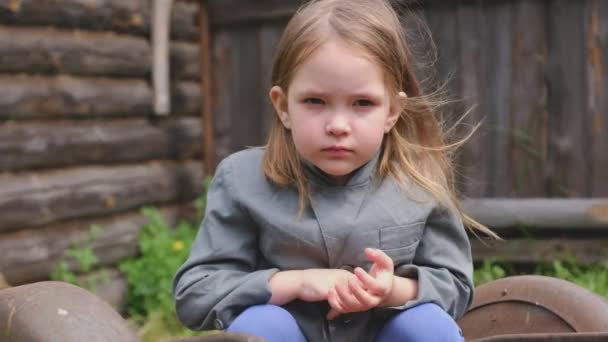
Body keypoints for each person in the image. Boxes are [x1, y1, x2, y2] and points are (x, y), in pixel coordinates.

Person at [173, 0, 495, 341]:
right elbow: (196, 293)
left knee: (427, 326)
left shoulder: (420, 182)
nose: (338, 125)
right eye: (315, 101)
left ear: (392, 111)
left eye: (362, 104)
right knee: (262, 326)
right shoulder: (242, 180)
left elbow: (457, 286)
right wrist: (293, 283)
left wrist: (392, 290)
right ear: (283, 106)